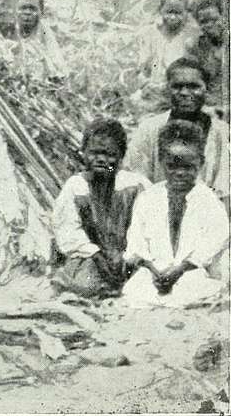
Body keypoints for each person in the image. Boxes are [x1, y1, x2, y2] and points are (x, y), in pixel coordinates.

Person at [122, 120, 229, 307]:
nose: (179, 173)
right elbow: (136, 240)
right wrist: (152, 268)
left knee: (195, 289)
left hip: (191, 270)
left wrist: (180, 269)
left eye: (187, 167)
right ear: (162, 162)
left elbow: (216, 239)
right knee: (136, 290)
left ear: (200, 163)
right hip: (156, 270)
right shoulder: (149, 197)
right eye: (172, 166)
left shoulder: (208, 200)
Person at [51, 118, 150, 298]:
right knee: (84, 285)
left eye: (109, 154)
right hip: (91, 257)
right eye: (94, 153)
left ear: (121, 156)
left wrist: (129, 256)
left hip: (130, 255)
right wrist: (96, 255)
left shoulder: (135, 184)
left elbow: (148, 225)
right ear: (84, 153)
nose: (101, 160)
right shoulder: (76, 186)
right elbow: (68, 230)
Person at [126, 57, 230, 204]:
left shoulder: (222, 133)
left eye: (194, 86)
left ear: (207, 88)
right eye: (177, 86)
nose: (185, 93)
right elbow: (136, 179)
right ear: (167, 88)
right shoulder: (148, 130)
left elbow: (225, 189)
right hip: (156, 210)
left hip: (208, 213)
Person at [135, 0, 200, 111]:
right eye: (169, 12)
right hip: (152, 91)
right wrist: (146, 84)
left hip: (181, 91)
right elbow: (140, 69)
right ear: (161, 11)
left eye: (178, 13)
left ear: (186, 13)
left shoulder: (192, 36)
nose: (173, 17)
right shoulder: (148, 34)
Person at [2, 0, 69, 82]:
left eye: (32, 8)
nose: (27, 12)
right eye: (23, 8)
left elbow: (59, 67)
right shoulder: (8, 28)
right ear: (16, 10)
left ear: (41, 12)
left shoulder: (45, 32)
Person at [187, 0, 229, 119]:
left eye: (214, 19)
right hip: (211, 105)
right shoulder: (195, 46)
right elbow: (193, 82)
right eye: (204, 22)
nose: (210, 25)